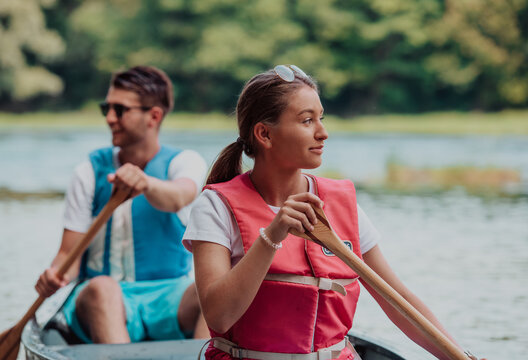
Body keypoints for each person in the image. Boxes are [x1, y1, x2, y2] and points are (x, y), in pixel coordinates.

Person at [183, 65, 484, 359]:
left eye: (321, 118)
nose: (323, 133)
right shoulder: (215, 206)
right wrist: (272, 236)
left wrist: (456, 354)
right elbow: (219, 317)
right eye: (306, 121)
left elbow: (398, 301)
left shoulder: (343, 204)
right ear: (264, 134)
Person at [35, 65, 209, 343]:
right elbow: (68, 257)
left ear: (153, 116)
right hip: (99, 300)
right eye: (107, 109)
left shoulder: (185, 163)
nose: (110, 119)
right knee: (103, 288)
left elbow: (180, 195)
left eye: (120, 110)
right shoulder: (89, 172)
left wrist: (147, 183)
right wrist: (55, 276)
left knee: (212, 288)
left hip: (168, 298)